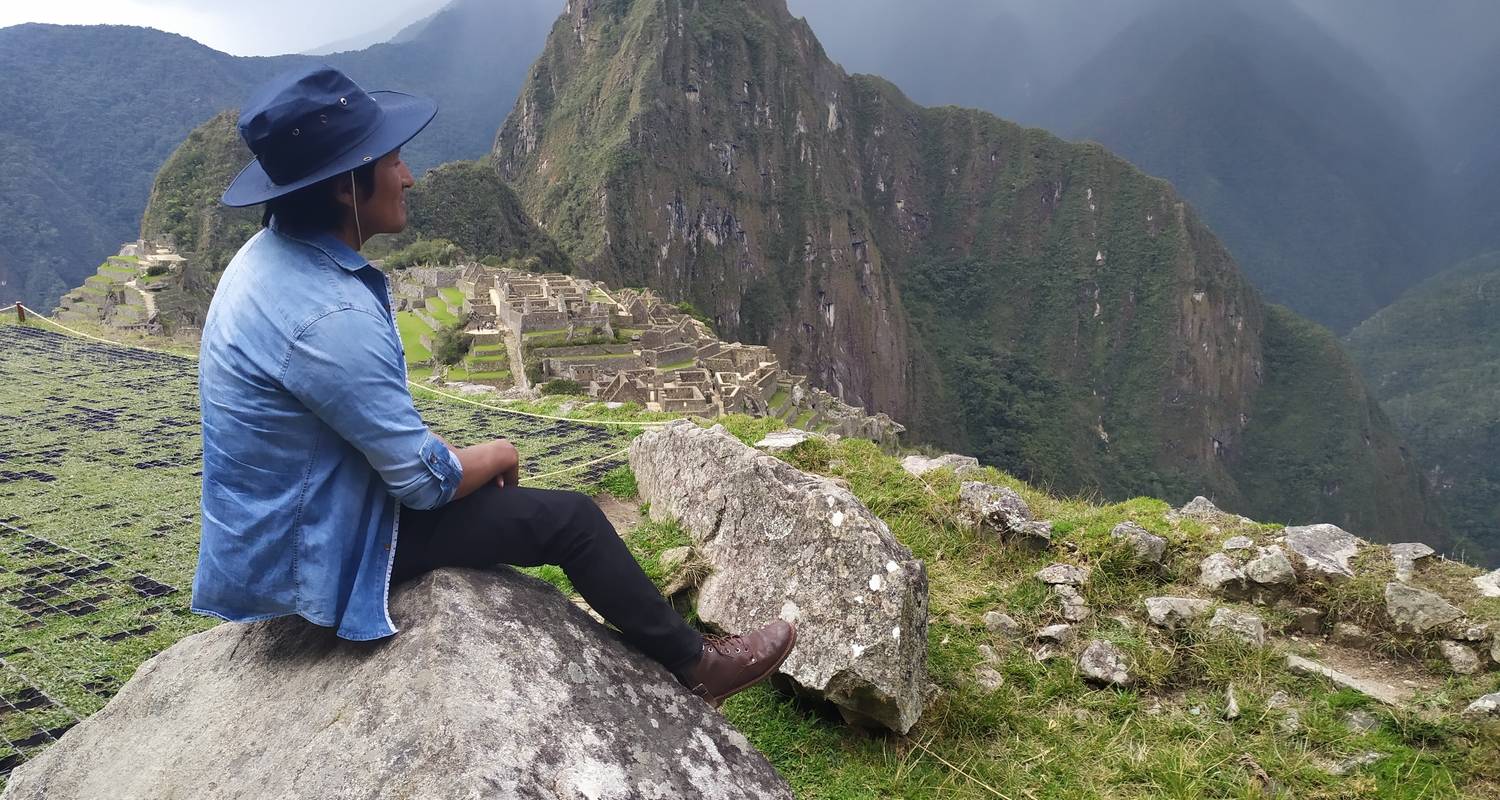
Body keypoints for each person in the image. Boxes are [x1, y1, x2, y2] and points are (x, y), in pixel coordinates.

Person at [190, 64, 795, 706]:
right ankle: (700, 666)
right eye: (392, 161)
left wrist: (441, 454)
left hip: (275, 529)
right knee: (573, 520)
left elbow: (355, 422)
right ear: (346, 187)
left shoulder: (264, 259)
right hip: (321, 545)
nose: (408, 176)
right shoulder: (330, 317)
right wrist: (495, 453)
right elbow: (425, 486)